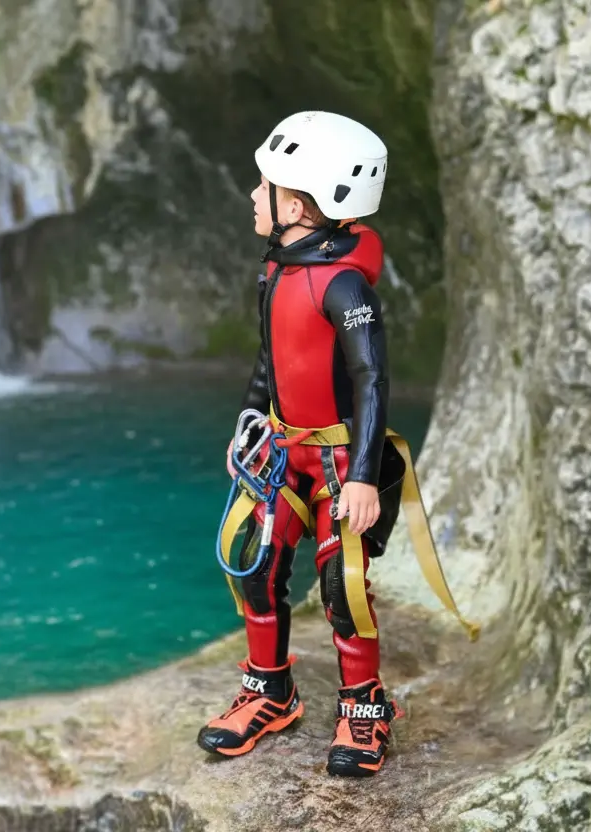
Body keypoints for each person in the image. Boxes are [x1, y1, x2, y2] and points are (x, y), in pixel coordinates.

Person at [196, 111, 408, 777]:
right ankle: (270, 689)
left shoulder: (344, 285)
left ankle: (364, 707)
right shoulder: (276, 271)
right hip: (285, 451)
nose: (252, 197)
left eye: (262, 188)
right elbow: (270, 360)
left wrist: (367, 478)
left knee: (341, 585)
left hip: (342, 460)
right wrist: (250, 419)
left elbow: (371, 378)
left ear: (295, 203)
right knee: (250, 563)